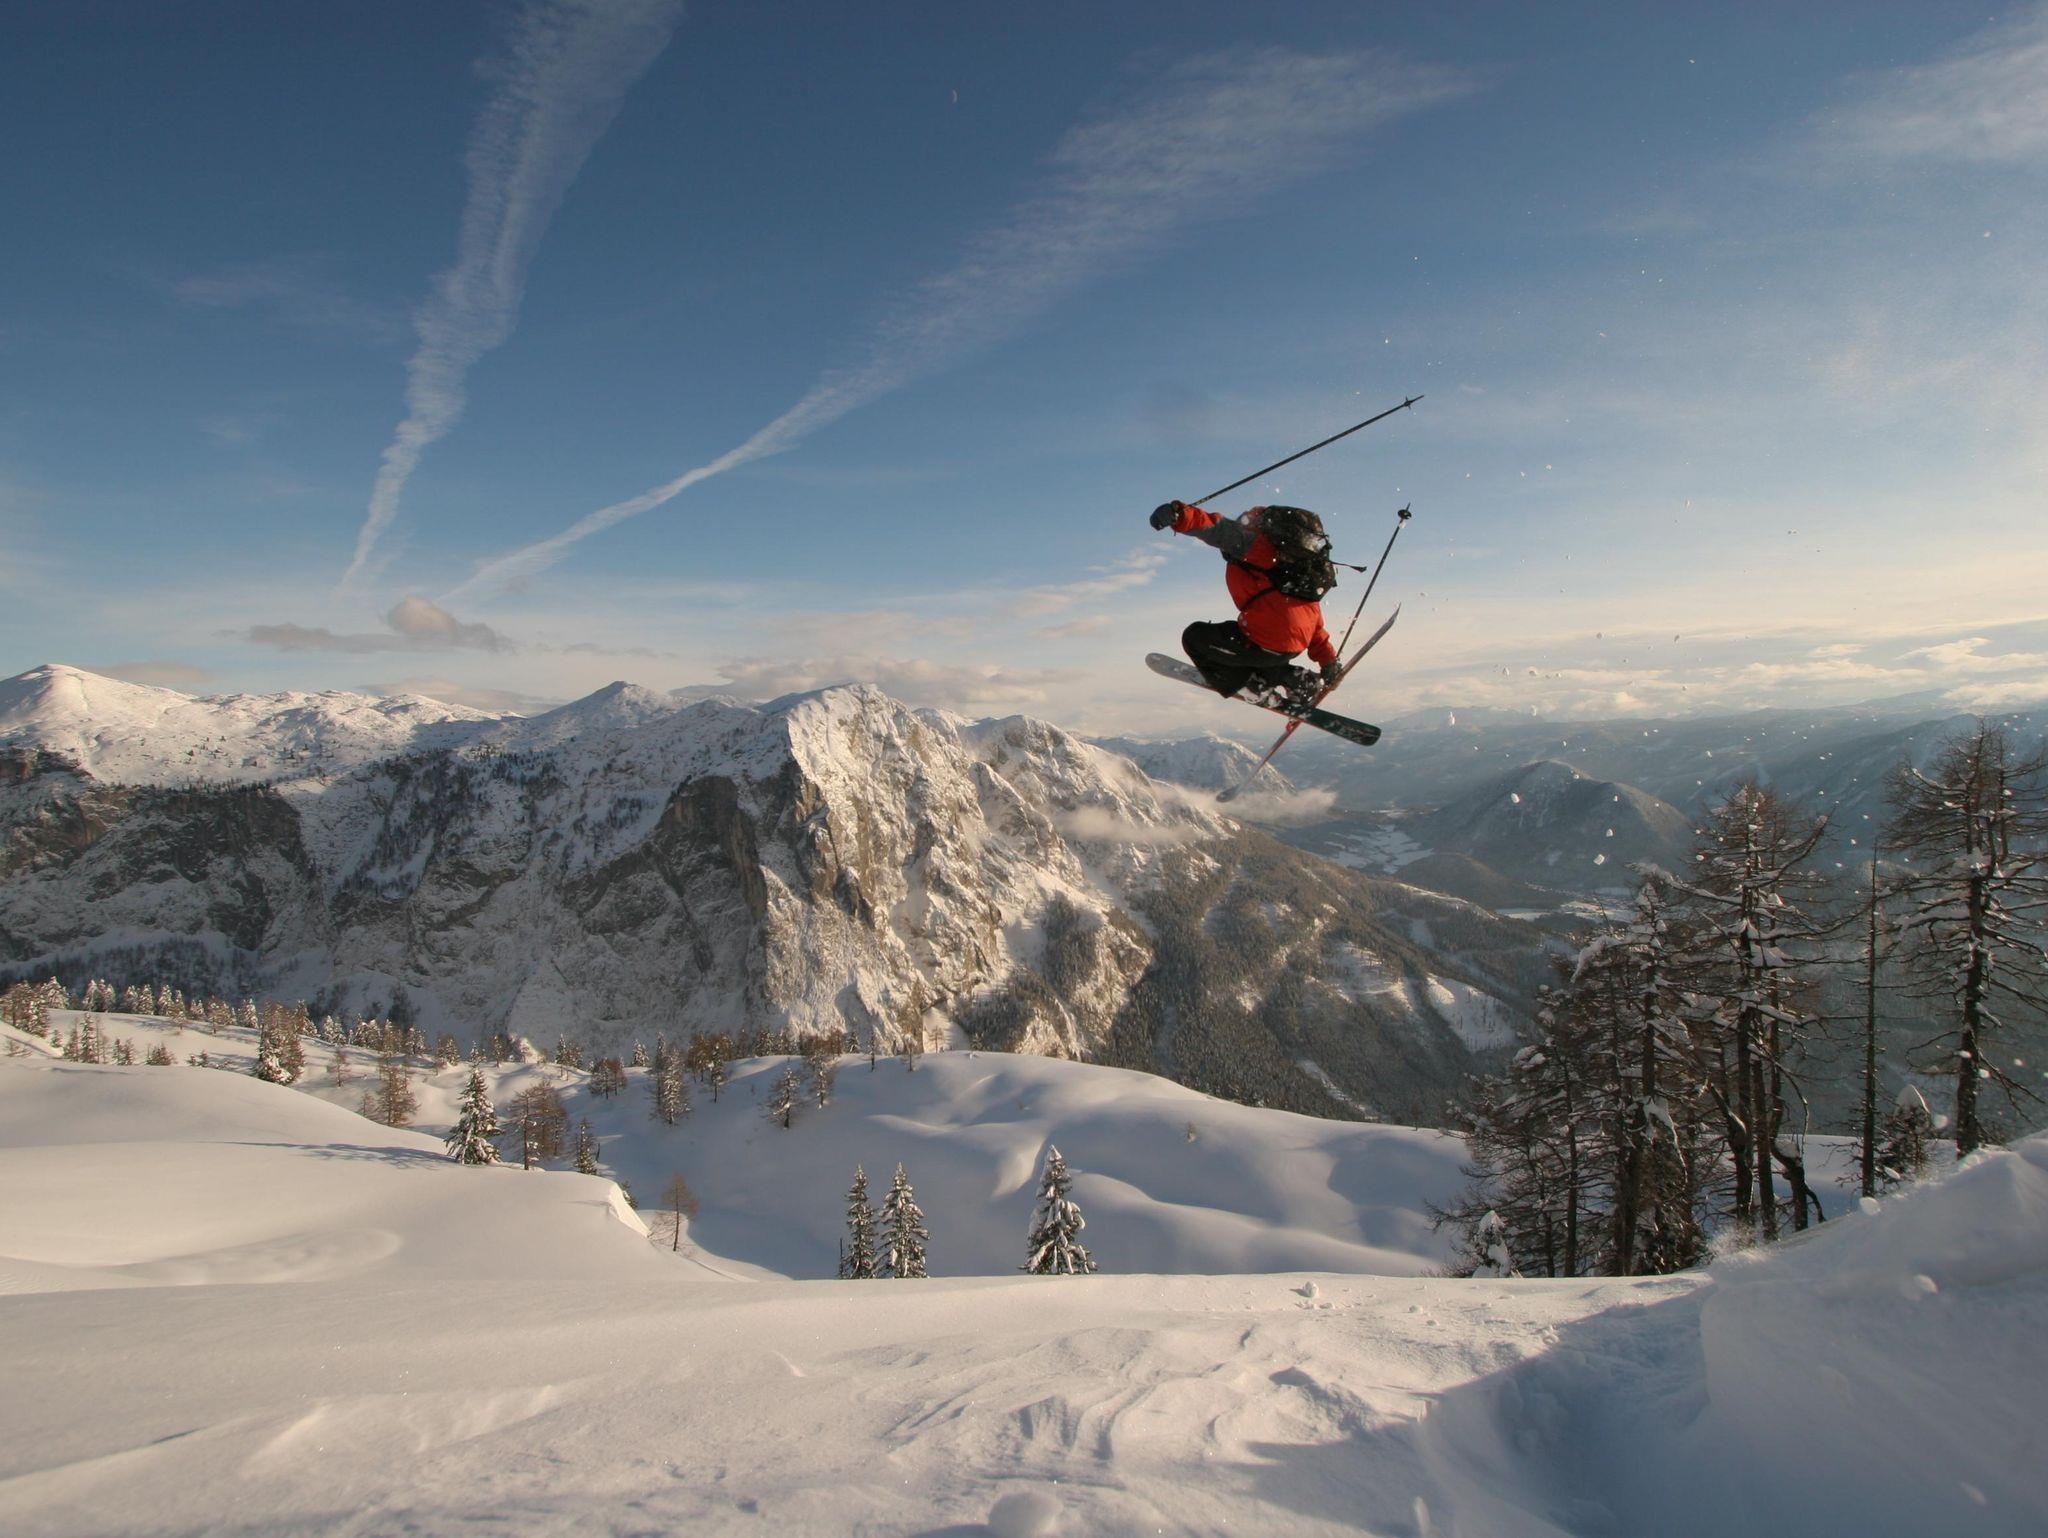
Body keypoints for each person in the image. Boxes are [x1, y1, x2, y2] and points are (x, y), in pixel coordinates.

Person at [1150, 499, 1342, 707]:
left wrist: (1180, 515)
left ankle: (1252, 687)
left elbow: (1218, 529)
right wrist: (1328, 662)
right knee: (1245, 645)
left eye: (1245, 520)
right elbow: (1313, 622)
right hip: (1286, 647)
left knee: (1195, 638)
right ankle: (1298, 681)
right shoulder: (1295, 569)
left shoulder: (1257, 546)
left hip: (1266, 642)